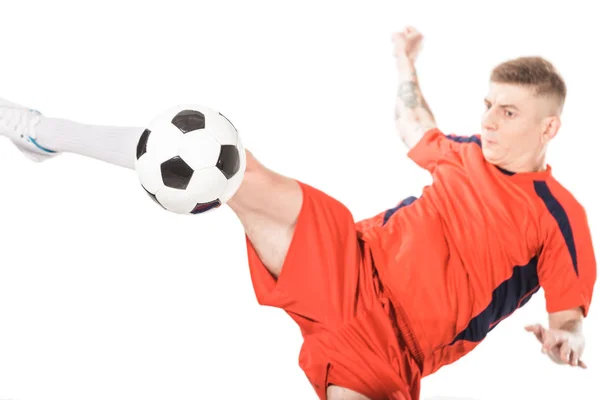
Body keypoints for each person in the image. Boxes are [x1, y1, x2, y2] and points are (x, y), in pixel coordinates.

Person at [0, 26, 596, 400]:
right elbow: (415, 123)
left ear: (550, 127)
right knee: (222, 159)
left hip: (389, 349)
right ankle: (43, 134)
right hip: (346, 260)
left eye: (508, 113)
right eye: (487, 105)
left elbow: (569, 317)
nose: (488, 121)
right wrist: (403, 62)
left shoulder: (560, 218)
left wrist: (562, 341)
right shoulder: (466, 152)